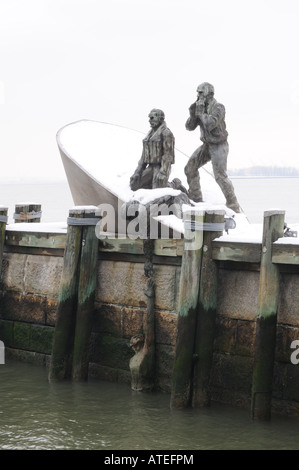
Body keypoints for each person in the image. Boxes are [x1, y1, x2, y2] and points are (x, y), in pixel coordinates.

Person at [184, 82, 241, 213]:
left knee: (220, 176)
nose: (198, 95)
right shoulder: (200, 108)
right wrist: (193, 114)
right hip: (207, 145)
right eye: (197, 92)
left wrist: (201, 114)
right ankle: (196, 198)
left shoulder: (219, 107)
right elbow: (189, 127)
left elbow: (210, 124)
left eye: (200, 93)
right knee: (190, 168)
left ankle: (233, 205)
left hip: (219, 145)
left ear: (209, 94)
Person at [130, 109, 175, 191]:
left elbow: (168, 155)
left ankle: (174, 185)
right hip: (150, 167)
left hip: (161, 167)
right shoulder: (149, 135)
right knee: (134, 185)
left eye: (152, 118)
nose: (149, 120)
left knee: (157, 189)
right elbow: (143, 156)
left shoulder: (166, 133)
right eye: (149, 118)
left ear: (160, 118)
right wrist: (137, 172)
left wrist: (163, 172)